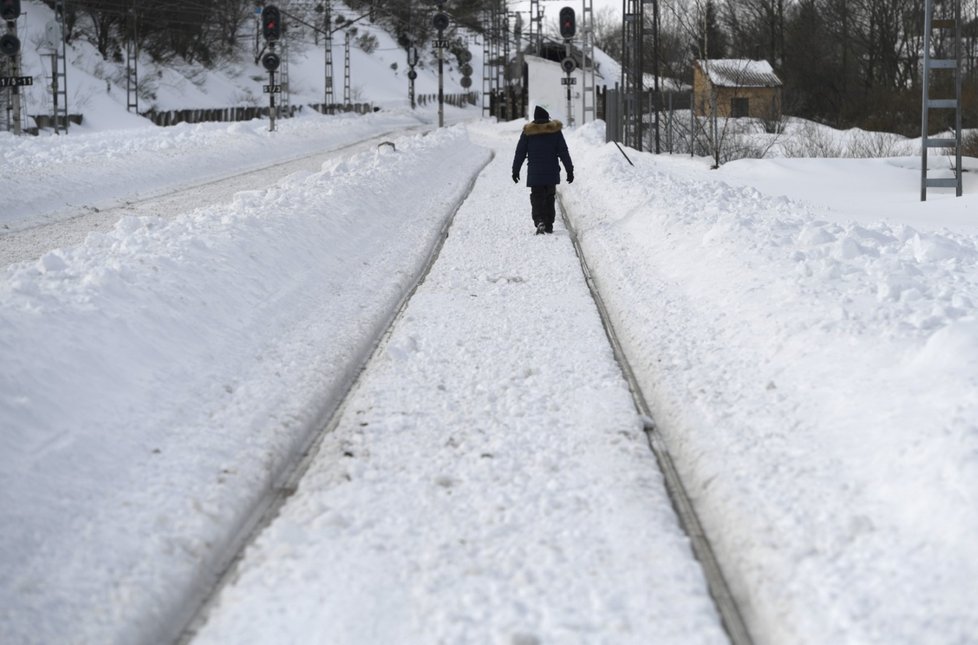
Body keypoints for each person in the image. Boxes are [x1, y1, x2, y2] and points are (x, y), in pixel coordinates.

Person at [512, 105, 574, 235]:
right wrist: (569, 170)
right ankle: (549, 224)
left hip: (535, 173)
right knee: (550, 197)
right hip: (551, 172)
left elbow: (520, 153)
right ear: (546, 117)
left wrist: (515, 170)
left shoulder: (528, 132)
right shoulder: (555, 131)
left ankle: (539, 219)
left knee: (536, 197)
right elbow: (563, 151)